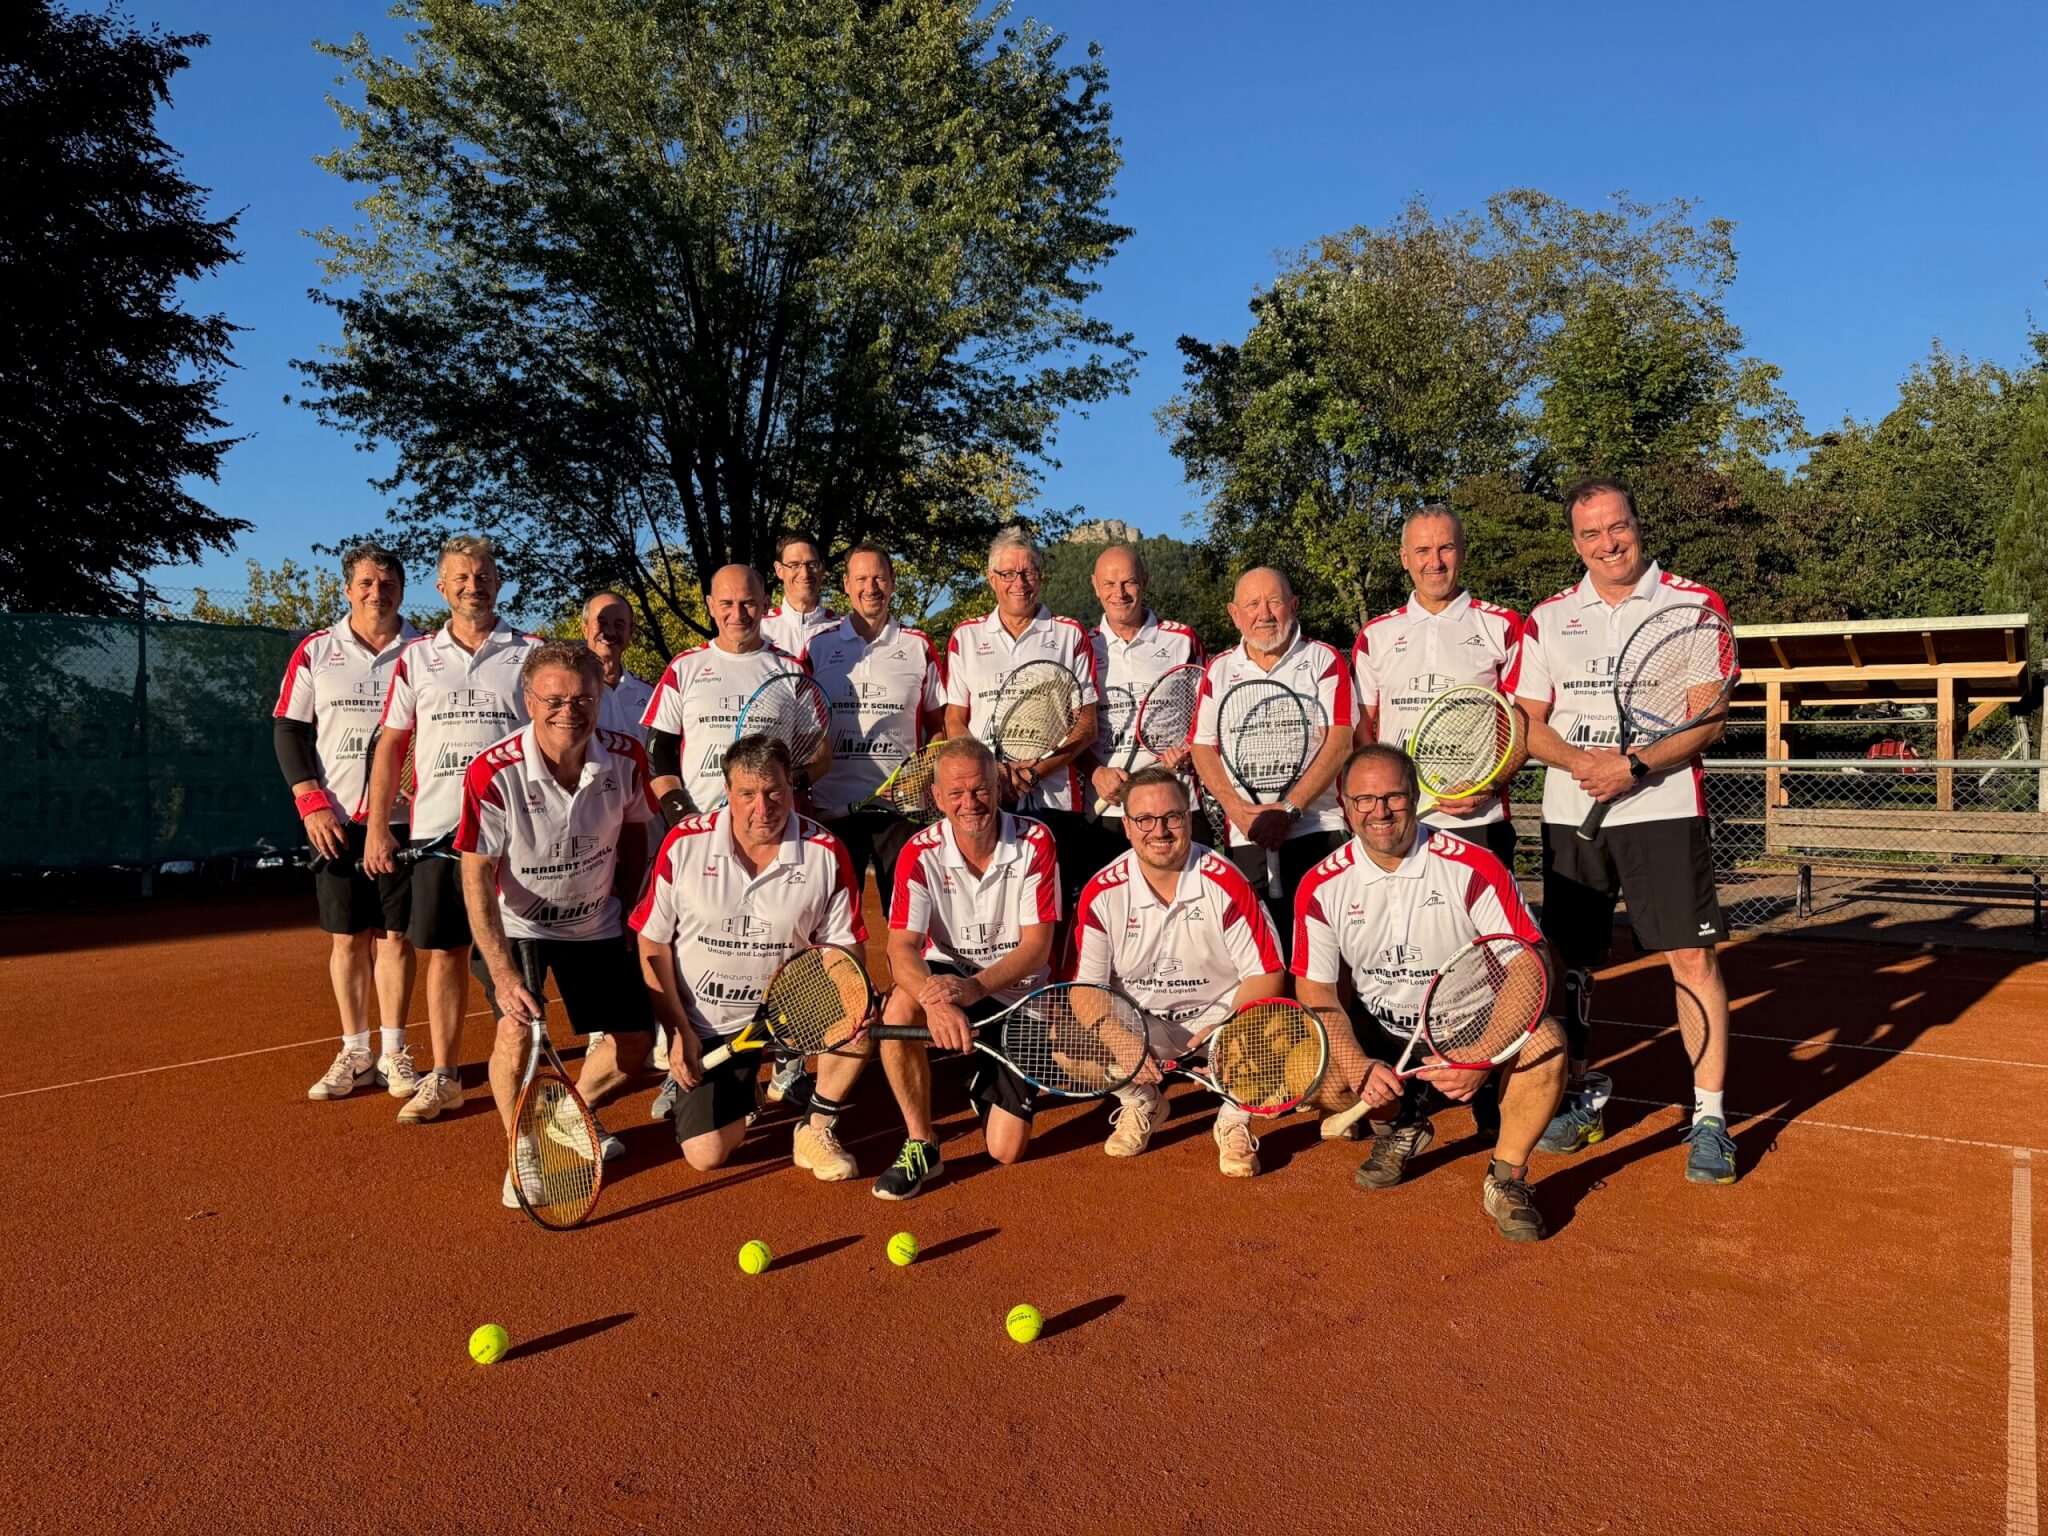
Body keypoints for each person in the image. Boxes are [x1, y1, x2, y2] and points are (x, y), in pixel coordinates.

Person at [1504, 476, 1739, 1184]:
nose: (1608, 544)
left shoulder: (1694, 605)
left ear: (1638, 525)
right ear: (1575, 542)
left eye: (1618, 527)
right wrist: (1586, 765)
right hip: (1571, 813)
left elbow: (1709, 718)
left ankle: (1709, 1118)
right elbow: (1525, 722)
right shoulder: (1548, 617)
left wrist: (1633, 766)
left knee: (1690, 960)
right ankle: (1582, 1092)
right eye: (1591, 533)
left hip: (1663, 810)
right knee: (1574, 963)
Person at [1292, 745, 1568, 1242]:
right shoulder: (1320, 884)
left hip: (1474, 1025)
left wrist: (1483, 1055)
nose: (1379, 812)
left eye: (1393, 797)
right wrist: (1358, 1066)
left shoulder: (1473, 865)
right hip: (1385, 1031)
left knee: (1546, 1045)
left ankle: (1506, 1177)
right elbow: (1317, 993)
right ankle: (1402, 1123)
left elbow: (1530, 965)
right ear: (1345, 804)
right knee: (1313, 1072)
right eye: (1364, 799)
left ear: (1415, 797)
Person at [454, 643, 658, 1206]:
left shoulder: (627, 757)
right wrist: (503, 974)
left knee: (635, 1046)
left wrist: (628, 908)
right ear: (529, 701)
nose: (570, 710)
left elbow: (635, 831)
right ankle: (522, 1149)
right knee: (515, 1029)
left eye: (583, 699)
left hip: (595, 920)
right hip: (519, 924)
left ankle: (569, 1113)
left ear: (599, 700)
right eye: (555, 699)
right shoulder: (492, 772)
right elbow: (475, 875)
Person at [628, 736, 871, 1178]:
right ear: (727, 792)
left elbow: (844, 948)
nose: (763, 808)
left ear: (791, 786)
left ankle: (816, 1126)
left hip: (790, 1011)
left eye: (774, 792)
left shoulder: (825, 851)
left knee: (860, 1014)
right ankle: (744, 1091)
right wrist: (678, 1030)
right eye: (747, 794)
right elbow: (653, 943)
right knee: (706, 1155)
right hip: (707, 1026)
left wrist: (853, 995)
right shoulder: (685, 843)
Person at [363, 535, 541, 1125]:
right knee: (443, 954)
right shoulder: (416, 657)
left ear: (499, 582)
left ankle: (528, 1080)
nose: (473, 586)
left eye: (483, 575)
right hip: (438, 832)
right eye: (461, 577)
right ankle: (446, 1077)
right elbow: (391, 744)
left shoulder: (531, 652)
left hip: (515, 835)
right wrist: (378, 826)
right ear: (442, 588)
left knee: (514, 959)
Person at [869, 737, 1060, 1200]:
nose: (969, 803)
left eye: (980, 790)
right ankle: (921, 1143)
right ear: (937, 798)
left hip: (1016, 992)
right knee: (900, 1008)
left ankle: (979, 1078)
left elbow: (1037, 948)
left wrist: (973, 990)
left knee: (1005, 1150)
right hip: (950, 979)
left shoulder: (1036, 840)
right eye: (956, 793)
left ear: (998, 787)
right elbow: (901, 948)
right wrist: (935, 1002)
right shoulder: (918, 852)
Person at [1068, 767, 1284, 1176]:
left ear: (1188, 818)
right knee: (1067, 1039)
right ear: (1127, 826)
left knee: (1275, 1024)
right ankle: (1144, 1101)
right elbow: (1086, 988)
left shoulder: (1226, 882)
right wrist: (1120, 1039)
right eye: (1145, 820)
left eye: (1172, 817)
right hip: (1143, 1023)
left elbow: (1266, 974)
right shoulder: (1102, 891)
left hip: (1218, 1021)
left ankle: (1234, 1117)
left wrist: (1231, 1026)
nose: (1160, 831)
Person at [273, 543, 421, 1102]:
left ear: (402, 591)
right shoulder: (316, 650)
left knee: (396, 938)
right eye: (366, 583)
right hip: (335, 822)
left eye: (387, 583)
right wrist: (311, 803)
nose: (377, 592)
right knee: (347, 939)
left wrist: (421, 778)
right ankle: (355, 1051)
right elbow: (289, 729)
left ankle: (394, 1052)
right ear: (347, 590)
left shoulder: (426, 651)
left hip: (405, 822)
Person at [1351, 505, 1527, 867]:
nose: (1435, 562)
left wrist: (1489, 786)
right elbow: (1362, 729)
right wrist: (1382, 798)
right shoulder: (1376, 634)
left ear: (1463, 552)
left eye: (1446, 548)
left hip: (1479, 819)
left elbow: (1526, 720)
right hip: (1400, 823)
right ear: (1404, 558)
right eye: (1422, 551)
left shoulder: (1502, 624)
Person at [1187, 567, 1355, 929]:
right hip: (1244, 834)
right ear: (1235, 614)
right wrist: (1238, 810)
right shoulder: (1219, 669)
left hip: (1317, 829)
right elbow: (1202, 748)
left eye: (1274, 602)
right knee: (1262, 947)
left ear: (1293, 606)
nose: (1264, 614)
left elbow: (1341, 743)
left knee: (1325, 947)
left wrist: (1290, 809)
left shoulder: (1324, 659)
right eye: (1252, 605)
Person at [943, 527, 1100, 906]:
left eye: (1028, 572)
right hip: (984, 798)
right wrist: (989, 772)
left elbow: (1086, 725)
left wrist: (1035, 772)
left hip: (1055, 800)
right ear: (991, 578)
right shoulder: (966, 636)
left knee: (1055, 910)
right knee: (989, 906)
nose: (1019, 582)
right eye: (1008, 573)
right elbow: (953, 720)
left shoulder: (1069, 633)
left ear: (1041, 577)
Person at [804, 541, 946, 908]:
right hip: (832, 809)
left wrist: (921, 776)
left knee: (907, 920)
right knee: (829, 920)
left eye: (879, 578)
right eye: (862, 578)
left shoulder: (918, 645)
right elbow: (802, 725)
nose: (871, 587)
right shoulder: (818, 647)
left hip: (899, 812)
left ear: (893, 582)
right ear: (846, 584)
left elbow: (940, 726)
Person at [642, 564, 827, 822]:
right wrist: (679, 813)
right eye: (726, 603)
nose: (738, 614)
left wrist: (782, 784)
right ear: (711, 605)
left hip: (770, 825)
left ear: (765, 604)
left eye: (748, 603)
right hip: (701, 823)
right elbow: (657, 752)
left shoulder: (793, 670)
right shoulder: (683, 667)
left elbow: (821, 758)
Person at [1081, 542, 1205, 875]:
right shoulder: (1084, 646)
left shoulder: (1182, 639)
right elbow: (1075, 729)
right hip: (1108, 811)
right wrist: (1096, 773)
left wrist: (1189, 750)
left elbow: (1207, 717)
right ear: (1095, 586)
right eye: (1109, 584)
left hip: (1177, 806)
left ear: (1145, 581)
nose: (1119, 593)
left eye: (1129, 582)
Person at [581, 591, 656, 739]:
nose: (610, 631)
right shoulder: (568, 690)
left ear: (630, 632)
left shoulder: (650, 693)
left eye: (619, 625)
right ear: (585, 629)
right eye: (601, 623)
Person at [758, 531, 841, 659]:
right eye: (794, 565)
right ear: (779, 570)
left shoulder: (844, 629)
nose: (805, 574)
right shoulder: (759, 628)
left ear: (822, 568)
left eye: (812, 564)